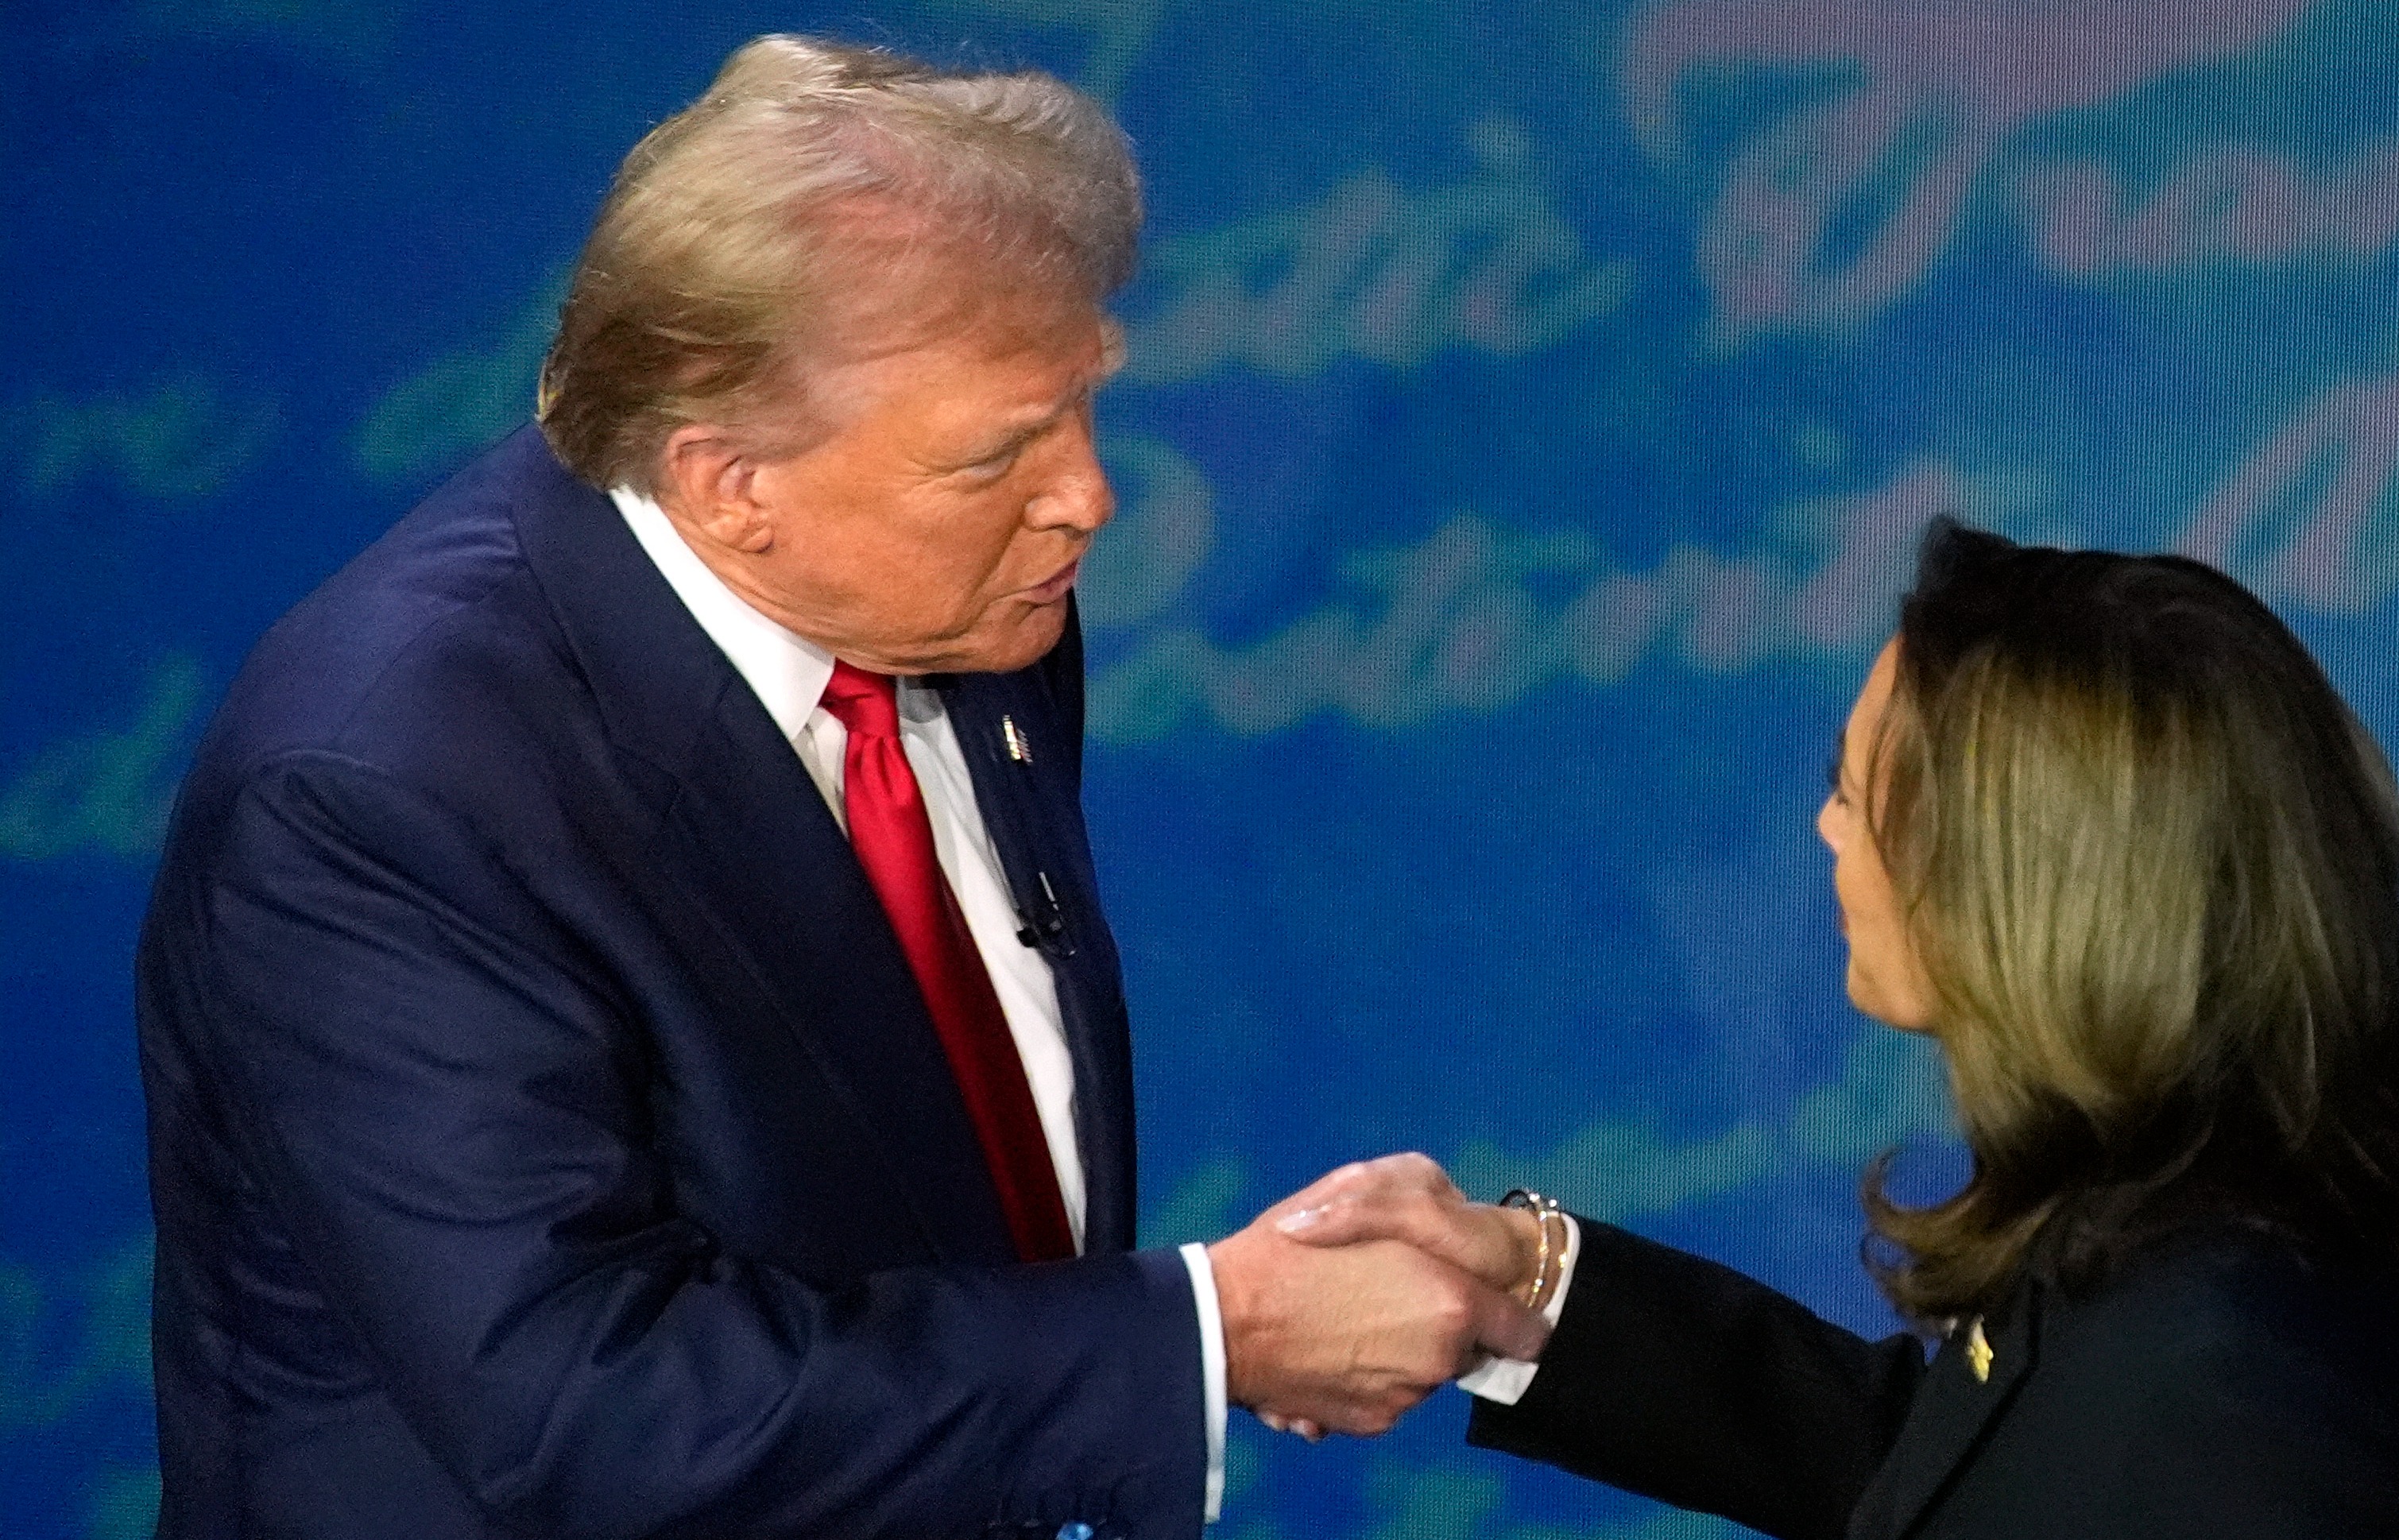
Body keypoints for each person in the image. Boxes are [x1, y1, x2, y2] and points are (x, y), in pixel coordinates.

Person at [133, 37, 1540, 1540]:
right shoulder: (380, 790)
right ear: (730, 482)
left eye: (1082, 403)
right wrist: (1207, 1336)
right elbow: (590, 1409)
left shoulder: (961, 596)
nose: (1086, 494)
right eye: (997, 454)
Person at [1277, 520, 2399, 1538]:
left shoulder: (2233, 1386)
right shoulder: (2180, 1215)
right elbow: (1954, 1478)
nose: (1827, 829)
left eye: (1853, 791)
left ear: (2020, 881)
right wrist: (1526, 1284)